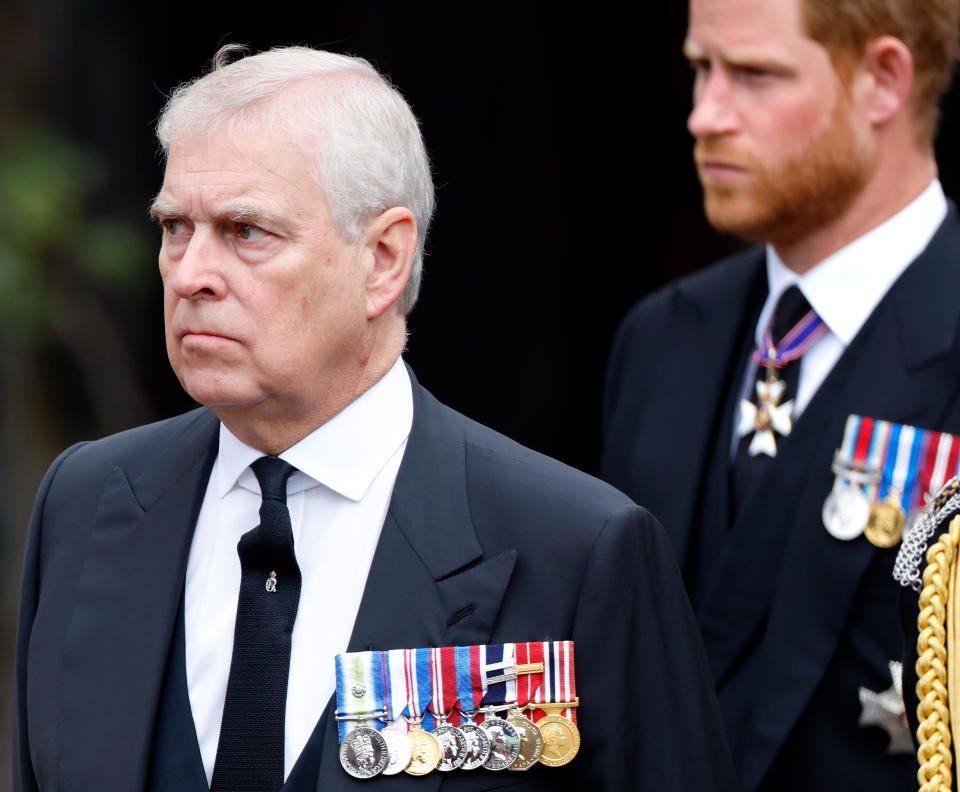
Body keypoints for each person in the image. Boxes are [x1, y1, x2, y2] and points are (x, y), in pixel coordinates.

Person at [14, 46, 736, 791]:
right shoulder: (87, 501)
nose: (192, 273)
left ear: (384, 259)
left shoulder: (575, 549)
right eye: (174, 228)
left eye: (245, 232)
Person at [601, 0, 960, 789]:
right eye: (701, 69)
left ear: (884, 80)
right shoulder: (661, 340)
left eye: (755, 75)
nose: (704, 116)